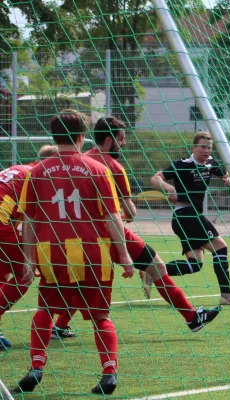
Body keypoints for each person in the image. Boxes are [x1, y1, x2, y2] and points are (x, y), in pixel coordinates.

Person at [50, 116, 220, 340]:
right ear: (109, 140)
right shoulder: (114, 168)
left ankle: (59, 326)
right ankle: (192, 317)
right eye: (122, 139)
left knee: (83, 282)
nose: (125, 143)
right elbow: (130, 212)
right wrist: (121, 213)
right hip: (111, 232)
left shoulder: (80, 160)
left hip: (78, 235)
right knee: (157, 267)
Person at [13, 110, 135, 395]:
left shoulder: (36, 171)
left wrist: (29, 259)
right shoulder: (98, 168)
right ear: (82, 137)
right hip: (93, 255)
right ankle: (109, 373)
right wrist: (125, 255)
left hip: (52, 254)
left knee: (45, 311)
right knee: (100, 316)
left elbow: (29, 220)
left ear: (53, 136)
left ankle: (37, 367)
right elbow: (112, 217)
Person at [151, 131, 230, 306]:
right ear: (194, 147)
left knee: (195, 265)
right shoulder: (183, 165)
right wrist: (169, 189)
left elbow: (225, 175)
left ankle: (151, 272)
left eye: (209, 147)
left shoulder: (211, 163)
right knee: (220, 247)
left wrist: (227, 178)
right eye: (203, 147)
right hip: (186, 215)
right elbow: (155, 178)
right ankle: (226, 295)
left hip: (187, 218)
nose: (206, 150)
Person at [0, 145, 57, 350]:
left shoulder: (20, 169)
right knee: (26, 273)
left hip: (5, 225)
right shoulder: (37, 178)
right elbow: (36, 222)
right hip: (1, 225)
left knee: (3, 273)